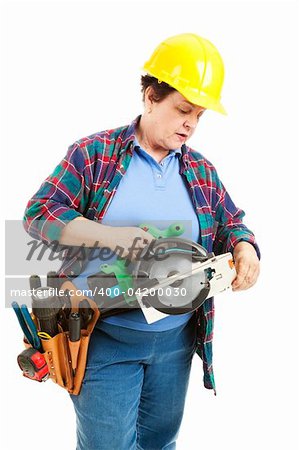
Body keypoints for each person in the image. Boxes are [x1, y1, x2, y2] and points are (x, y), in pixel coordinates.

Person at [23, 33, 260, 450]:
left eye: (199, 115)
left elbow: (232, 223)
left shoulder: (201, 170)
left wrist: (245, 249)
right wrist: (110, 237)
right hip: (103, 339)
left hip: (177, 342)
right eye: (182, 109)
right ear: (151, 97)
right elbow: (38, 215)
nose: (191, 123)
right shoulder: (93, 155)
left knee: (160, 444)